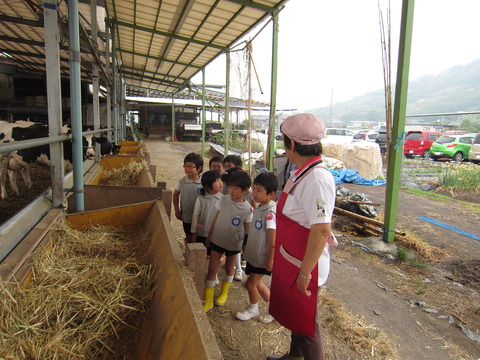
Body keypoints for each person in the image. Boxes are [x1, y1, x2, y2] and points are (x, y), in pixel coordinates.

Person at [268, 113, 335, 360]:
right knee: (296, 316)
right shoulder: (302, 171)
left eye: (284, 141)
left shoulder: (317, 179)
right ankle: (294, 356)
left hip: (306, 263)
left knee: (307, 325)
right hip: (294, 255)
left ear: (293, 144)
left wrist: (305, 273)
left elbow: (321, 230)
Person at [203, 170, 253, 312]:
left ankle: (224, 293)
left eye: (235, 188)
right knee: (212, 268)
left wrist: (246, 247)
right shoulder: (223, 199)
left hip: (233, 243)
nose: (231, 190)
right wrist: (210, 234)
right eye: (230, 187)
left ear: (245, 190)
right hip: (217, 239)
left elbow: (248, 230)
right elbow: (216, 217)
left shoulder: (248, 209)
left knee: (229, 268)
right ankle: (208, 300)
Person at [235, 172, 277, 323]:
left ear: (271, 194)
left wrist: (271, 258)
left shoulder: (271, 213)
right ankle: (274, 309)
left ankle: (253, 309)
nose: (255, 193)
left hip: (263, 257)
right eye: (254, 189)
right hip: (255, 255)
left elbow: (274, 237)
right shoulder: (260, 207)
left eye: (259, 190)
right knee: (257, 283)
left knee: (251, 284)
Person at [172, 152, 204, 246]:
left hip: (200, 217)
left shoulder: (203, 183)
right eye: (186, 166)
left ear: (199, 168)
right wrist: (177, 210)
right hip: (187, 216)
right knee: (189, 236)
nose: (187, 169)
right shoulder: (182, 182)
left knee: (198, 236)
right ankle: (188, 252)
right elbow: (175, 195)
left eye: (191, 166)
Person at [191, 170, 223, 255]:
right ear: (208, 185)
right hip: (202, 232)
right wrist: (194, 232)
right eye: (217, 181)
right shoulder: (201, 198)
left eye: (220, 180)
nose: (220, 183)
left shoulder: (223, 199)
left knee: (212, 255)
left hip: (216, 234)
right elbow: (195, 216)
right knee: (201, 254)